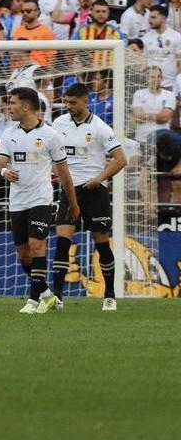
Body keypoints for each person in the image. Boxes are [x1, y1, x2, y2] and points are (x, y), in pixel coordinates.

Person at [0, 86, 79, 314]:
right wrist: (3, 172)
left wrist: (73, 203)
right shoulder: (8, 134)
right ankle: (47, 294)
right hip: (17, 200)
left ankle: (33, 302)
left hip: (41, 198)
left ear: (26, 106)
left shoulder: (51, 135)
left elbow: (64, 172)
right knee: (23, 253)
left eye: (12, 103)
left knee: (36, 245)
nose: (8, 107)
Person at [51, 83, 126, 311]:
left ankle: (110, 295)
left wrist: (99, 178)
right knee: (62, 243)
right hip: (69, 190)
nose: (69, 106)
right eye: (66, 102)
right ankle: (57, 297)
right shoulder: (58, 123)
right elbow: (53, 153)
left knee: (101, 244)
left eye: (73, 102)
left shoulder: (101, 127)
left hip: (94, 191)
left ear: (86, 101)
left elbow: (121, 159)